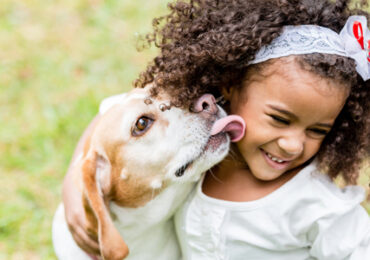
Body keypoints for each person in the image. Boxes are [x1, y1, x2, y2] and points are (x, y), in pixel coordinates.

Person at [62, 0, 370, 259]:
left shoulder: (316, 205)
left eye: (318, 130)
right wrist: (79, 177)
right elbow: (117, 111)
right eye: (279, 119)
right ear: (229, 85)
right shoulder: (207, 124)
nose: (292, 145)